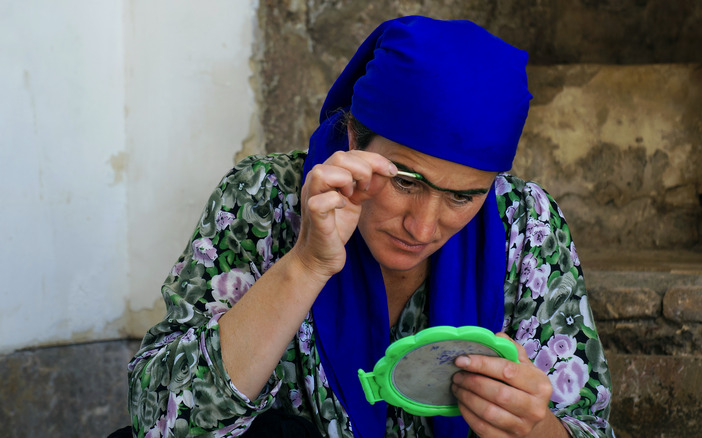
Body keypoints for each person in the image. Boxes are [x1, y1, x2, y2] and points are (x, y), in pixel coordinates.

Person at [127, 16, 614, 438]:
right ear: (355, 136)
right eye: (404, 180)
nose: (422, 227)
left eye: (463, 196)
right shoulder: (263, 200)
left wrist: (534, 428)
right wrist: (305, 265)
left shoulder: (525, 226)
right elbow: (162, 423)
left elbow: (587, 426)